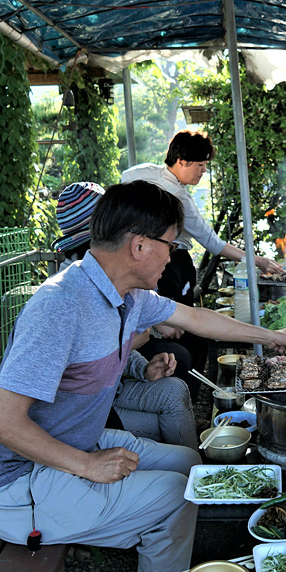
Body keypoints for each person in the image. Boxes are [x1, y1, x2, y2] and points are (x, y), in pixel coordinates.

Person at [0, 180, 286, 572]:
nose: (175, 256)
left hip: (72, 444)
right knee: (176, 494)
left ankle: (159, 549)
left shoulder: (129, 295)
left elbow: (195, 318)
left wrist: (272, 336)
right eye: (172, 245)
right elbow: (0, 424)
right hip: (17, 485)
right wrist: (88, 465)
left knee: (187, 464)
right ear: (140, 246)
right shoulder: (60, 305)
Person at [121, 130, 282, 398]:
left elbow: (125, 178)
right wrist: (259, 261)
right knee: (183, 331)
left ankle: (179, 391)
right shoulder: (178, 197)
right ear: (181, 161)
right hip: (173, 265)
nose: (202, 172)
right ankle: (182, 394)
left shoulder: (142, 172)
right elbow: (213, 243)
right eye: (200, 166)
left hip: (152, 260)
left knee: (175, 323)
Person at [53, 181, 200, 448]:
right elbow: (6, 420)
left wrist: (141, 367)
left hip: (114, 391)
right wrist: (135, 340)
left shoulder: (117, 282)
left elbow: (190, 318)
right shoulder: (65, 297)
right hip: (85, 416)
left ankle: (192, 468)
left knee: (176, 390)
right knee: (172, 442)